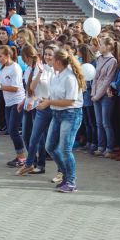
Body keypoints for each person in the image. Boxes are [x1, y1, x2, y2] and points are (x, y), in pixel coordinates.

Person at [41, 49, 85, 193]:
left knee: (65, 149)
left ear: (58, 62)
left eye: (52, 59)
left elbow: (70, 101)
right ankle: (66, 175)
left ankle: (71, 182)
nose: (50, 61)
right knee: (50, 146)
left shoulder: (70, 77)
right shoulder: (57, 75)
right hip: (57, 114)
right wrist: (46, 101)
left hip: (71, 115)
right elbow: (53, 95)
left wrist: (49, 103)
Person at [16, 44, 57, 175]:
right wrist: (25, 100)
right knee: (31, 137)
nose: (47, 56)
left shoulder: (57, 70)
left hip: (50, 106)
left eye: (50, 54)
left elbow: (53, 90)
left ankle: (56, 169)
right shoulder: (40, 68)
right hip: (38, 106)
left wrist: (34, 99)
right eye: (46, 54)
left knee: (49, 142)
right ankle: (32, 162)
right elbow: (31, 87)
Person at [0, 45, 26, 167]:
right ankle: (19, 156)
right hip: (8, 103)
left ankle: (22, 158)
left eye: (1, 56)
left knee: (13, 130)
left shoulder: (15, 68)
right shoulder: (3, 68)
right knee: (12, 131)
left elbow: (15, 88)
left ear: (8, 55)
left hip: (18, 102)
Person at [92, 37, 118, 157]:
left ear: (108, 46)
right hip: (96, 94)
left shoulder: (112, 61)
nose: (99, 46)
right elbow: (95, 77)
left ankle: (109, 148)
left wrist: (97, 95)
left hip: (105, 95)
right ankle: (100, 146)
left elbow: (107, 80)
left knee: (106, 122)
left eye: (102, 44)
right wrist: (93, 93)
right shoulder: (99, 58)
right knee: (98, 123)